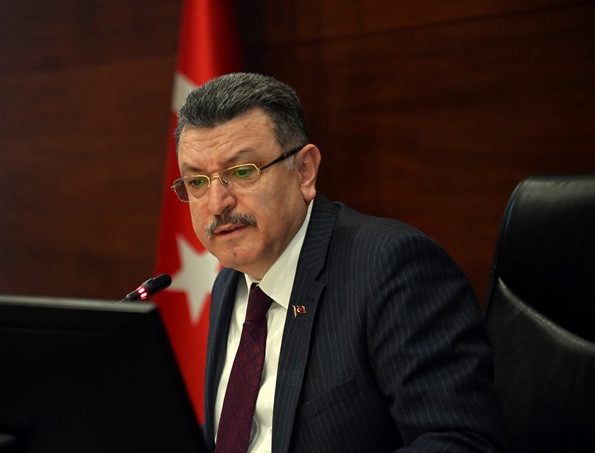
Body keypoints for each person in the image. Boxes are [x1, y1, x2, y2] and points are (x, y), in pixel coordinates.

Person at [170, 72, 509, 452]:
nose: (217, 203)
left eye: (242, 172)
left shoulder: (391, 268)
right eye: (197, 182)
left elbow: (462, 440)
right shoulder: (231, 281)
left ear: (304, 171)